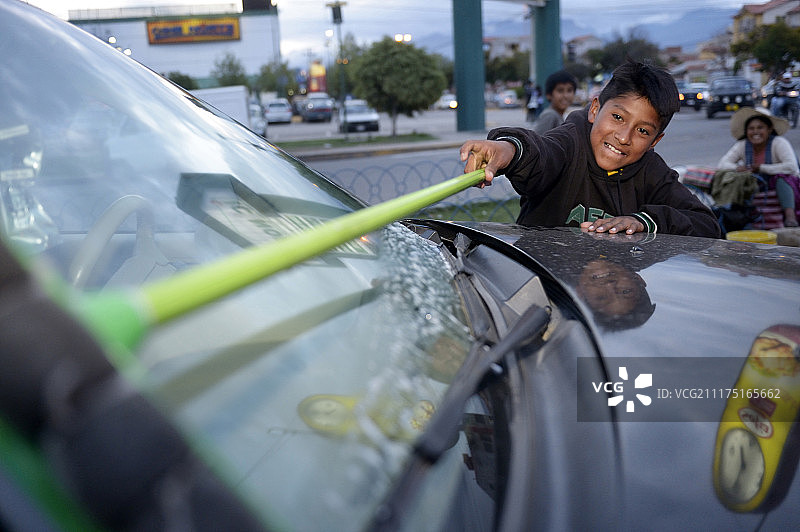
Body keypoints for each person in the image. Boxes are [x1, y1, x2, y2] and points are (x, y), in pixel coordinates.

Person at [459, 59, 722, 238]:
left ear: (655, 141)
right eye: (617, 117)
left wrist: (645, 221)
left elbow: (707, 224)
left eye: (642, 131)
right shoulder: (571, 142)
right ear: (595, 109)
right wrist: (510, 150)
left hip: (605, 310)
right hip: (543, 292)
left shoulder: (652, 171)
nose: (623, 137)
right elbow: (544, 152)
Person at [716, 106, 800, 227]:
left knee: (781, 177)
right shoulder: (743, 145)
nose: (755, 132)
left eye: (760, 128)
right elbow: (723, 164)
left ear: (769, 129)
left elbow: (791, 167)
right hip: (757, 184)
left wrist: (761, 168)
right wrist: (738, 168)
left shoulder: (779, 143)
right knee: (733, 177)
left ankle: (790, 215)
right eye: (751, 128)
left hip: (784, 184)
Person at [530, 70, 577, 134]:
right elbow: (537, 142)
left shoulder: (558, 115)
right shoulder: (550, 115)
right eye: (560, 91)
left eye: (569, 90)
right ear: (549, 95)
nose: (565, 96)